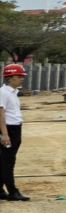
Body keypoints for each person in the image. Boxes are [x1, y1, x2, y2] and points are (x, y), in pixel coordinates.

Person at [1, 61, 29, 201]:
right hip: (8, 130)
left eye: (22, 76)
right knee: (8, 162)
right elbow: (0, 114)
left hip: (15, 129)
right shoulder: (3, 93)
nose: (22, 78)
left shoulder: (14, 93)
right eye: (19, 76)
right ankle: (12, 192)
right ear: (9, 78)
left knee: (6, 160)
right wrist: (4, 134)